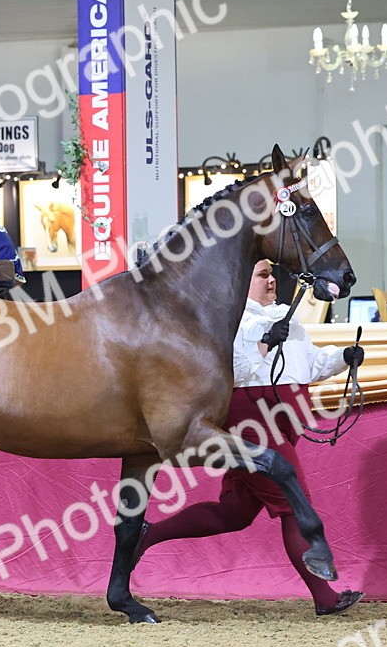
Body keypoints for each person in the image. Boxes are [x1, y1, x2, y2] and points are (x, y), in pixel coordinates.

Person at [135, 260, 365, 616]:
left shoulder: (286, 316)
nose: (271, 280)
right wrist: (264, 344)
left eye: (272, 274)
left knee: (235, 512)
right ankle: (325, 597)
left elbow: (313, 364)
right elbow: (229, 373)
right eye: (262, 275)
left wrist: (342, 359)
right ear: (242, 280)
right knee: (294, 505)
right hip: (253, 424)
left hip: (281, 422)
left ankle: (146, 535)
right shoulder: (229, 321)